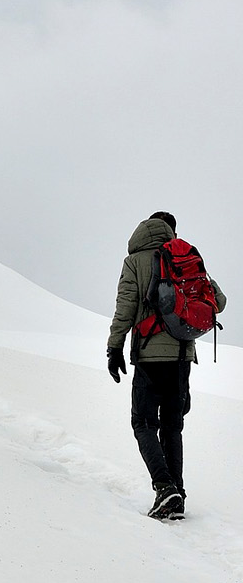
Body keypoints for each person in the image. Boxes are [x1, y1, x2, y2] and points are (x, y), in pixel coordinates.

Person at [107, 210, 226, 519]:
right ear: (171, 231)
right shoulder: (184, 256)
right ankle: (177, 494)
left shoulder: (135, 261)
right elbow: (220, 302)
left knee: (143, 422)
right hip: (182, 356)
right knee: (172, 426)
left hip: (148, 354)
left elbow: (126, 307)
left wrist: (114, 347)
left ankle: (165, 488)